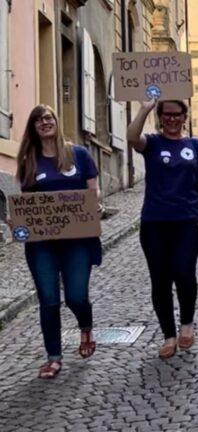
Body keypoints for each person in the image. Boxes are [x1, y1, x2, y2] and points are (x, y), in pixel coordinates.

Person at [12, 105, 102, 378]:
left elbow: (93, 192)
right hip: (42, 244)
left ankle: (85, 326)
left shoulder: (79, 155)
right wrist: (19, 221)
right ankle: (53, 357)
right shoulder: (30, 160)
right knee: (49, 300)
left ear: (57, 122)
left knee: (75, 296)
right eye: (38, 120)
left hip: (77, 240)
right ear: (33, 128)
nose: (44, 122)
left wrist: (95, 206)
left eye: (49, 117)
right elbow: (29, 204)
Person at [127, 99, 198, 359]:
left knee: (184, 272)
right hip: (155, 221)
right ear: (160, 117)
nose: (172, 119)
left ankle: (187, 324)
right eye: (167, 115)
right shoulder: (153, 143)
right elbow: (131, 137)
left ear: (184, 116)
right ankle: (168, 335)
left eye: (177, 114)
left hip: (187, 221)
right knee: (160, 280)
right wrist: (144, 108)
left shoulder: (194, 146)